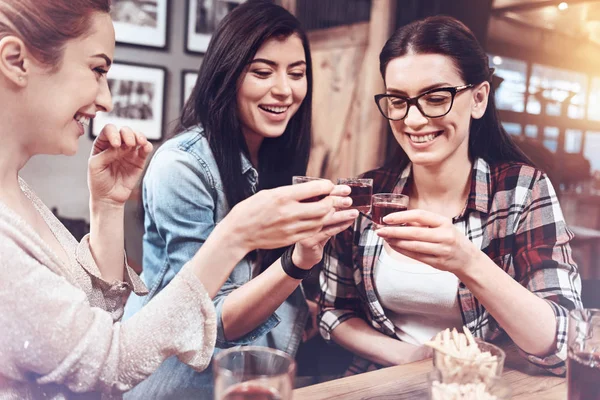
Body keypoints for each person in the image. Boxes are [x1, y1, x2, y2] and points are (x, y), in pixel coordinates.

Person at [0, 1, 339, 398]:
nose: (107, 100)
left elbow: (100, 318)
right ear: (15, 61)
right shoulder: (185, 162)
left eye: (296, 74)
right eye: (97, 70)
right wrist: (237, 237)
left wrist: (107, 208)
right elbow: (108, 363)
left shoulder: (19, 193)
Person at [319, 15, 582, 376]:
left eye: (435, 97)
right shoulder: (370, 192)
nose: (413, 120)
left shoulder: (522, 190)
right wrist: (410, 357)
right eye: (398, 101)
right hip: (377, 383)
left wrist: (465, 260)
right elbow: (334, 311)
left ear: (478, 98)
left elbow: (564, 345)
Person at [123, 0, 359, 397]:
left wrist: (301, 304)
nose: (284, 90)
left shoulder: (273, 156)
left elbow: (255, 276)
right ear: (227, 74)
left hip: (251, 375)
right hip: (177, 385)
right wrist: (299, 261)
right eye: (262, 72)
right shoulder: (182, 166)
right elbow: (207, 320)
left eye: (297, 73)